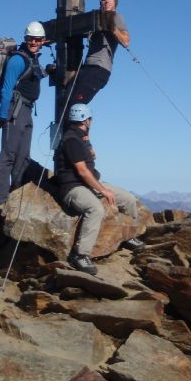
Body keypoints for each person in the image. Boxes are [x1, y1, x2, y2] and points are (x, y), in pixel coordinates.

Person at [54, 103, 144, 274]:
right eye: (90, 119)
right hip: (73, 186)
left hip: (90, 182)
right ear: (86, 120)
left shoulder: (81, 137)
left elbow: (89, 159)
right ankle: (80, 255)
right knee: (95, 209)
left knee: (128, 199)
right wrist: (103, 191)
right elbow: (82, 171)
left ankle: (128, 236)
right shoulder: (71, 139)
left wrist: (89, 148)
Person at [0, 21, 48, 207]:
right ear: (25, 39)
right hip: (15, 110)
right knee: (8, 154)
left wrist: (47, 71)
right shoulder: (17, 60)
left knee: (23, 156)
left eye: (38, 39)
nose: (34, 42)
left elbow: (33, 76)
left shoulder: (32, 59)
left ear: (42, 41)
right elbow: (7, 88)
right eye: (31, 39)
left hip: (27, 110)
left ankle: (16, 196)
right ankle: (1, 200)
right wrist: (2, 115)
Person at [68, 0, 130, 109]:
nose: (106, 1)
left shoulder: (116, 16)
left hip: (99, 68)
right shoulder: (95, 18)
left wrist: (113, 29)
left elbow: (126, 41)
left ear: (115, 2)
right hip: (87, 68)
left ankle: (76, 126)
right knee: (67, 101)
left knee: (75, 107)